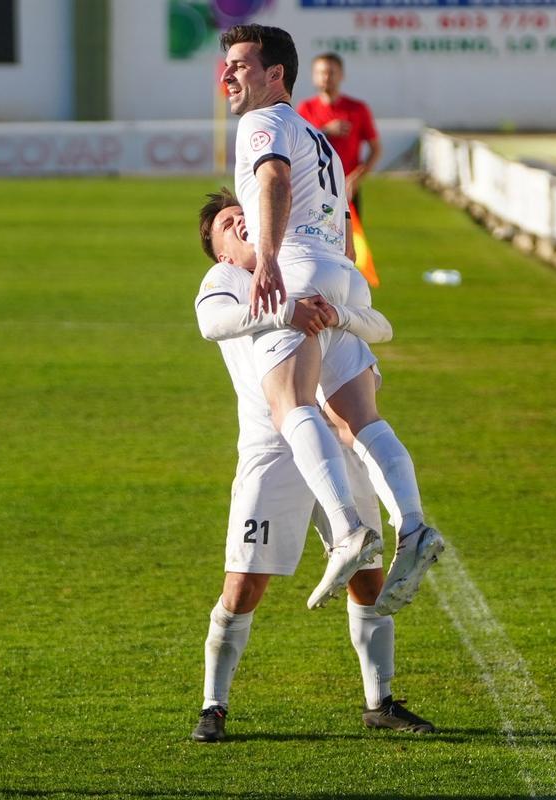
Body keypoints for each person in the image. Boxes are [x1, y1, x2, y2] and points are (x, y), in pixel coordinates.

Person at [191, 188, 437, 743]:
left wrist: (338, 314)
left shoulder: (303, 266)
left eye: (243, 214)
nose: (241, 223)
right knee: (244, 583)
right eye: (228, 224)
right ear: (222, 251)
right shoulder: (224, 279)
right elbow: (213, 323)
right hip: (272, 449)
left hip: (336, 444)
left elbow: (376, 327)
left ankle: (380, 702)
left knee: (368, 576)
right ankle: (213, 705)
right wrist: (285, 310)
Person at [219, 24, 442, 615]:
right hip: (340, 270)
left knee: (289, 404)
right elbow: (341, 220)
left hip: (296, 264)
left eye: (240, 64)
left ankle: (347, 529)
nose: (228, 74)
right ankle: (414, 524)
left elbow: (272, 179)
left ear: (275, 75)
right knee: (358, 417)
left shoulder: (261, 122)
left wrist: (268, 259)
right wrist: (338, 283)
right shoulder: (318, 137)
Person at [296, 52, 382, 217]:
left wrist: (356, 178)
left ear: (341, 75)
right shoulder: (306, 108)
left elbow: (376, 149)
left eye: (331, 72)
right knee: (317, 232)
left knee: (349, 233)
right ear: (314, 76)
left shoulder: (357, 109)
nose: (326, 77)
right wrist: (325, 131)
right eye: (321, 72)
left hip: (347, 187)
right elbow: (299, 145)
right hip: (316, 187)